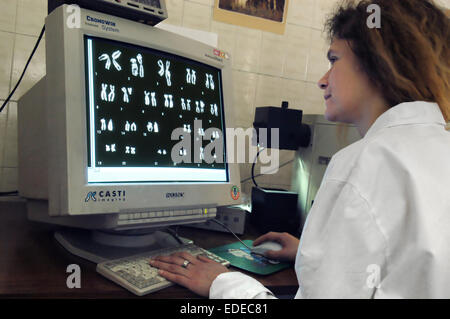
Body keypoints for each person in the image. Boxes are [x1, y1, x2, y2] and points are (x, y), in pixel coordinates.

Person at [149, 0, 450, 298]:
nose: (322, 81)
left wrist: (223, 283)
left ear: (378, 61)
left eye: (334, 59)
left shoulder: (365, 164)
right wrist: (313, 254)